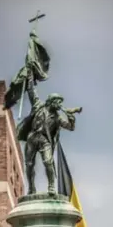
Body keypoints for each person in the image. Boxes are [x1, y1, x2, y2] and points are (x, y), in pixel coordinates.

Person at [17, 67, 82, 195]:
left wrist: (72, 119)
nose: (59, 105)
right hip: (32, 137)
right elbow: (31, 91)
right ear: (51, 101)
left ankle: (51, 186)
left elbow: (70, 127)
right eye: (58, 102)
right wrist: (29, 76)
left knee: (48, 161)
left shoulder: (57, 117)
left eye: (60, 103)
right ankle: (31, 188)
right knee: (29, 164)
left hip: (44, 140)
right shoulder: (38, 105)